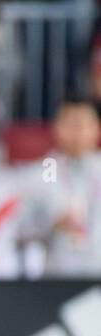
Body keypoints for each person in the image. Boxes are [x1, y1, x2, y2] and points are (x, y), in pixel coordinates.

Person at [16, 99, 101, 277]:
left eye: (83, 125)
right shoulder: (43, 172)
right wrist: (52, 225)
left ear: (96, 128)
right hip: (58, 279)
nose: (77, 133)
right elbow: (20, 233)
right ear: (57, 128)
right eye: (71, 125)